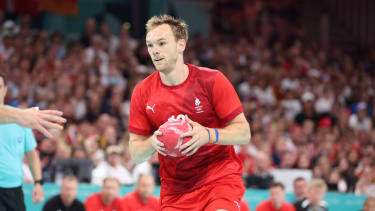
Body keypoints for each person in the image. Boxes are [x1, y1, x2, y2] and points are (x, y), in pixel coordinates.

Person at [128, 14, 251, 210]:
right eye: (150, 45)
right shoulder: (142, 92)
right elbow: (135, 154)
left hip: (218, 179)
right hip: (176, 191)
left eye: (161, 43)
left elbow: (244, 133)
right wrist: (153, 142)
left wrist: (208, 135)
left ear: (181, 45)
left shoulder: (212, 80)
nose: (154, 51)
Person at [0, 73, 44, 211]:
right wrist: (23, 115)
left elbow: (31, 153)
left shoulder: (20, 118)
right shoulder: (21, 116)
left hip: (15, 189)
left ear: (5, 89)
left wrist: (38, 182)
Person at [0, 74, 66, 138]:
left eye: (0, 87)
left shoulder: (27, 116)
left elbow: (30, 149)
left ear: (5, 89)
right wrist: (22, 115)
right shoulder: (18, 109)